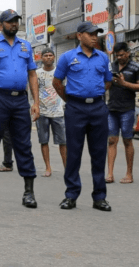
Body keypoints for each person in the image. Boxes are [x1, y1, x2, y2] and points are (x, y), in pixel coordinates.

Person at [0, 9, 39, 208]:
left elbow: (32, 75)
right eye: (10, 21)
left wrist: (36, 102)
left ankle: (29, 192)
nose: (14, 24)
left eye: (16, 21)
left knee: (24, 145)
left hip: (20, 101)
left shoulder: (26, 46)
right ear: (0, 25)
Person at [53, 21, 113, 211]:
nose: (95, 37)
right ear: (80, 36)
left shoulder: (103, 58)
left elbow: (108, 82)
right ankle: (71, 195)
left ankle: (99, 197)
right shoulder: (67, 57)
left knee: (98, 154)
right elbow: (57, 82)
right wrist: (71, 100)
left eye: (96, 34)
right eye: (90, 34)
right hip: (75, 109)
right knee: (74, 153)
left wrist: (93, 95)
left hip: (97, 108)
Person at [106, 42, 138, 184]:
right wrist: (109, 81)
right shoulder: (112, 66)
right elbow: (105, 84)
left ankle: (129, 174)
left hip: (127, 109)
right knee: (112, 140)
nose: (119, 57)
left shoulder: (135, 67)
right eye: (117, 55)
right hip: (112, 109)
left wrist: (125, 84)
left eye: (122, 55)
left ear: (128, 53)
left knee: (127, 141)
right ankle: (110, 174)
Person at [35, 47, 67, 178]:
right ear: (41, 58)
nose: (48, 57)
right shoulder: (36, 73)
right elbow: (34, 91)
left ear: (54, 57)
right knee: (44, 141)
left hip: (59, 111)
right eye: (46, 55)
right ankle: (48, 167)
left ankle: (67, 168)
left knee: (63, 142)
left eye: (50, 55)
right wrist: (35, 105)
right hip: (42, 111)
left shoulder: (60, 72)